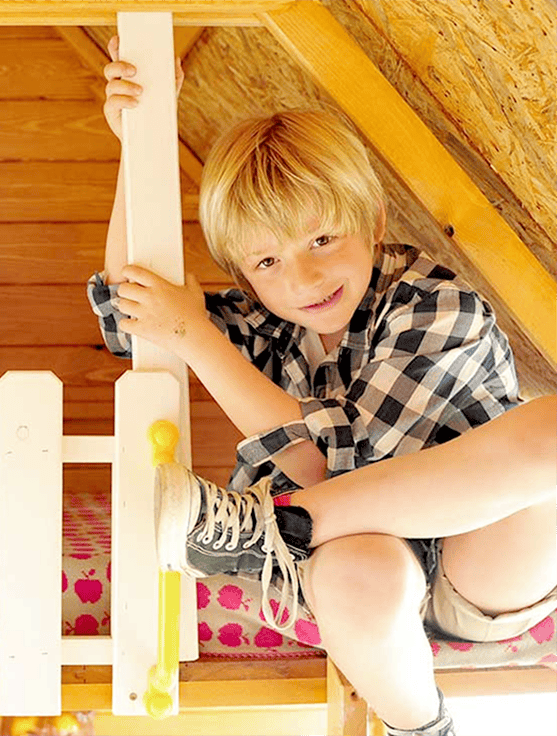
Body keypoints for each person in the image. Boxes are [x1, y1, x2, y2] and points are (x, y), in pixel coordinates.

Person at [89, 37, 556, 736]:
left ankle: (266, 529)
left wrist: (199, 340)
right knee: (350, 573)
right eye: (269, 261)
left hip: (477, 565)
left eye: (323, 241)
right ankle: (424, 728)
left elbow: (345, 467)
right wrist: (138, 140)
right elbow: (139, 307)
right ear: (247, 277)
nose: (303, 280)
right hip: (356, 568)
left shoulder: (436, 304)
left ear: (372, 223)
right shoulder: (264, 325)